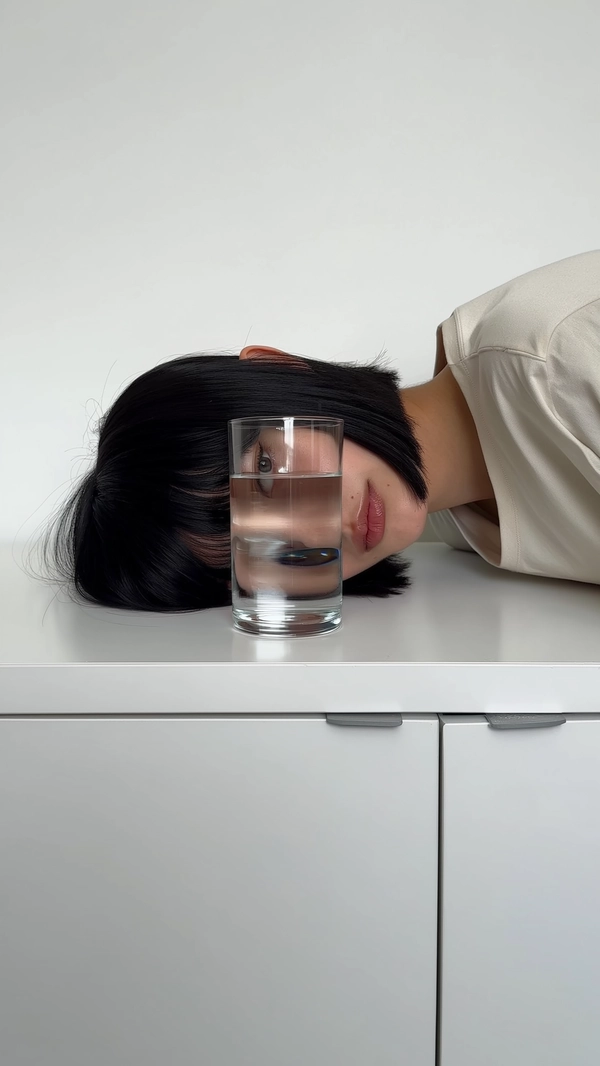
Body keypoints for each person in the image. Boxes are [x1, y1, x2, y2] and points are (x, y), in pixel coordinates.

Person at [38, 249, 600, 611]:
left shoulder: (554, 360)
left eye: (263, 469)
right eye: (260, 549)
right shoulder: (462, 529)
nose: (318, 530)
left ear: (276, 366)